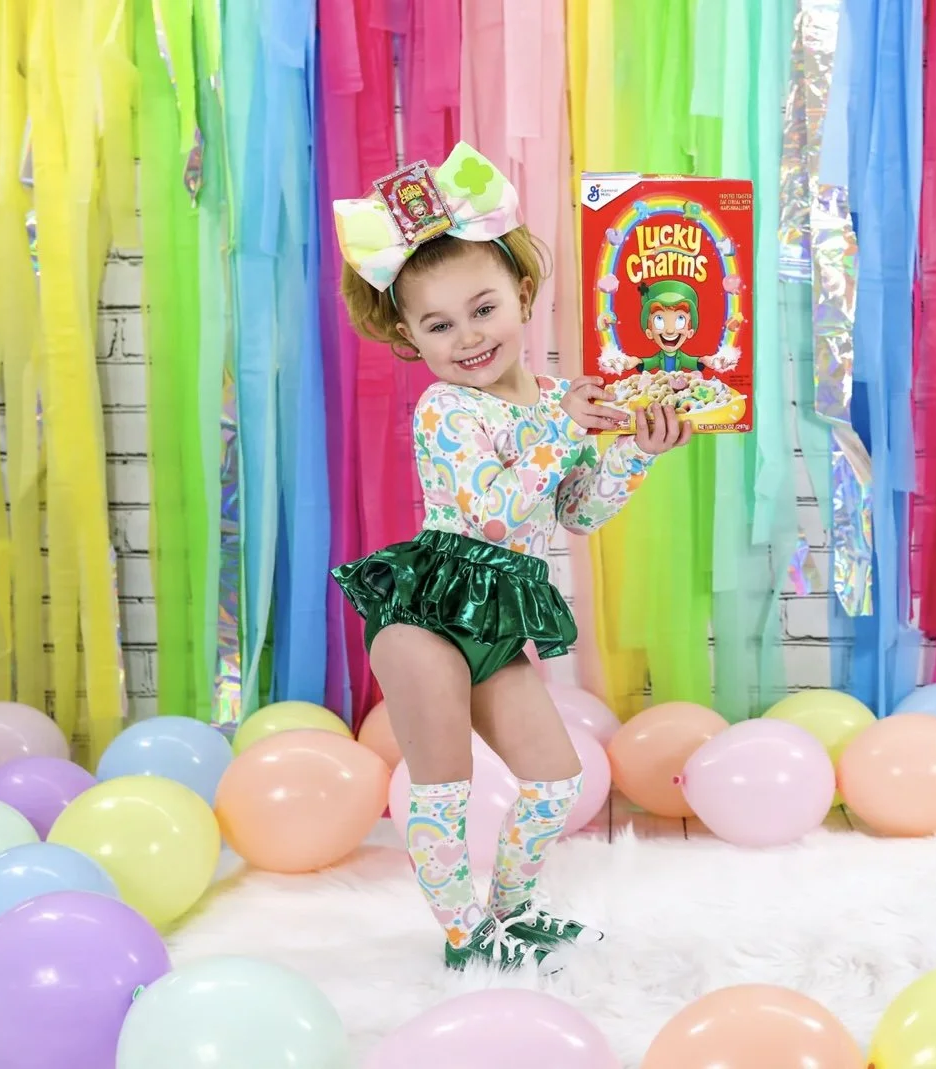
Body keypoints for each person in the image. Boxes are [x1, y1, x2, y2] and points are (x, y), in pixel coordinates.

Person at [330, 143, 691, 976]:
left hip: (497, 611)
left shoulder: (551, 398)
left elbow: (573, 511)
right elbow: (489, 512)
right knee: (444, 783)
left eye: (483, 308)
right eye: (438, 325)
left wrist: (633, 452)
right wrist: (564, 426)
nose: (467, 337)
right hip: (427, 615)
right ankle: (465, 935)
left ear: (523, 294)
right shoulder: (444, 407)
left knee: (555, 779)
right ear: (408, 336)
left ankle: (513, 911)